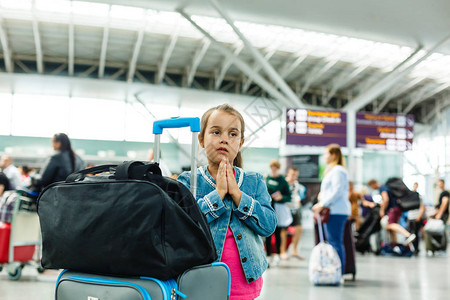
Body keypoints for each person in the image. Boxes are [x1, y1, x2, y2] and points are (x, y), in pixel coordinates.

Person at [177, 104, 276, 300]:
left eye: (233, 134)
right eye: (216, 132)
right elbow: (181, 227)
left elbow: (269, 225)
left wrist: (238, 195)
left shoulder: (254, 181)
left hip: (245, 284)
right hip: (200, 282)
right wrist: (219, 193)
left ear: (240, 143)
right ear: (201, 139)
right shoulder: (188, 181)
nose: (224, 139)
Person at [312, 144, 350, 275]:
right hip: (333, 211)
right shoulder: (333, 170)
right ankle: (337, 271)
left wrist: (323, 204)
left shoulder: (338, 170)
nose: (324, 157)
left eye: (326, 154)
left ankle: (339, 272)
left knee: (335, 242)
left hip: (336, 211)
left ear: (333, 155)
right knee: (334, 241)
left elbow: (337, 191)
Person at [368, 179, 416, 245]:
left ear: (373, 184)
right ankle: (395, 244)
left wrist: (382, 210)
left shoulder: (382, 187)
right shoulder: (387, 187)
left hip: (393, 209)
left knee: (390, 224)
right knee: (391, 227)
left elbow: (386, 199)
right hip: (397, 208)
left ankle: (408, 235)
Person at [265, 160, 291, 262]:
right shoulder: (267, 178)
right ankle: (268, 254)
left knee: (278, 232)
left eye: (275, 167)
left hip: (278, 208)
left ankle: (278, 253)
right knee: (267, 231)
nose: (273, 169)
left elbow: (288, 196)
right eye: (272, 167)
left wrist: (281, 197)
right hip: (268, 207)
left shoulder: (282, 181)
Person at [285, 166, 305, 260]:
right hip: (285, 208)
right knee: (283, 231)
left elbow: (296, 195)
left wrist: (298, 200)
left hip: (295, 208)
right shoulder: (283, 183)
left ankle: (294, 250)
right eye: (293, 174)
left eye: (296, 175)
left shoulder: (296, 184)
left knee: (299, 229)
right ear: (288, 174)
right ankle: (283, 251)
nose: (294, 177)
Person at [407, 182, 426, 254]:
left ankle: (416, 249)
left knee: (416, 233)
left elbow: (422, 207)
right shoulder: (409, 197)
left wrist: (419, 216)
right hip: (410, 217)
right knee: (409, 233)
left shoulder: (419, 196)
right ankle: (410, 248)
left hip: (416, 217)